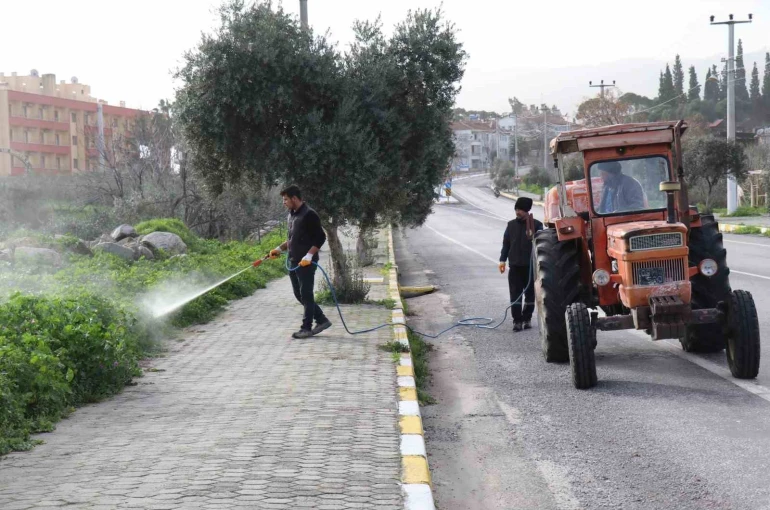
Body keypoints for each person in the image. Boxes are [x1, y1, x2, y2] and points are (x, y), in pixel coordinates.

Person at [269, 185, 332, 339]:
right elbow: (292, 238)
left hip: (306, 262)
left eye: (285, 199)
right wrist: (279, 248)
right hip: (293, 260)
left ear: (294, 199)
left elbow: (321, 237)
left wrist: (309, 255)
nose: (284, 202)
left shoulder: (309, 214)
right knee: (299, 295)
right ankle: (322, 320)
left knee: (306, 294)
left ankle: (306, 328)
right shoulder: (291, 215)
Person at [499, 197, 543, 332]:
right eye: (516, 209)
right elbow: (506, 244)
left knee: (530, 295)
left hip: (530, 268)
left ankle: (527, 318)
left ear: (527, 210)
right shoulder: (510, 225)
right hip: (515, 267)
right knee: (515, 294)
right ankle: (517, 321)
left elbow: (542, 245)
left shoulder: (536, 225)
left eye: (520, 210)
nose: (517, 212)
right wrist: (502, 260)